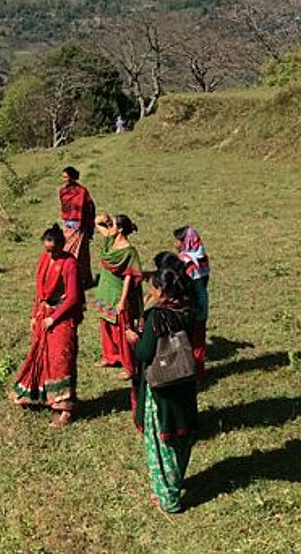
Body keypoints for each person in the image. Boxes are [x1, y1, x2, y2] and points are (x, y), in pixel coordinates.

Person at [126, 267, 199, 513]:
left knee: (161, 443)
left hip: (162, 387)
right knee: (181, 439)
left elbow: (146, 353)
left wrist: (135, 340)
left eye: (154, 287)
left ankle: (167, 497)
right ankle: (175, 481)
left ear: (162, 291)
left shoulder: (158, 317)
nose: (150, 291)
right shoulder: (189, 311)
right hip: (185, 382)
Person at [10, 224, 85, 427]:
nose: (49, 253)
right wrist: (35, 314)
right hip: (44, 315)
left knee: (61, 359)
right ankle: (38, 394)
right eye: (47, 249)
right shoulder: (45, 259)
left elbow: (73, 297)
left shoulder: (70, 264)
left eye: (53, 250)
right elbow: (39, 290)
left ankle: (66, 409)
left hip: (62, 317)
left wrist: (54, 318)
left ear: (62, 246)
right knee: (40, 354)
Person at [94, 213, 143, 379]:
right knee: (106, 327)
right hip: (105, 291)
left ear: (120, 229)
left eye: (113, 225)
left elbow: (130, 277)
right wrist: (106, 218)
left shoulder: (129, 252)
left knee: (122, 331)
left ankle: (129, 366)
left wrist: (122, 301)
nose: (109, 227)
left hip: (118, 294)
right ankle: (110, 357)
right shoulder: (110, 240)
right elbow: (97, 222)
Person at [173, 226, 211, 378]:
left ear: (185, 242)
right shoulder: (202, 257)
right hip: (202, 303)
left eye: (177, 240)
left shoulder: (185, 260)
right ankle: (199, 372)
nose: (175, 243)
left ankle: (188, 373)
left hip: (189, 305)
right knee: (199, 341)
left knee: (186, 339)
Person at [58, 166, 95, 290]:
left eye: (66, 177)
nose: (64, 179)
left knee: (75, 254)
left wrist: (88, 225)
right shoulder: (63, 191)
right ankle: (78, 280)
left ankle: (76, 281)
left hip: (79, 225)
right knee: (73, 252)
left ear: (72, 177)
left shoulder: (82, 191)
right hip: (67, 224)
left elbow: (89, 207)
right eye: (63, 177)